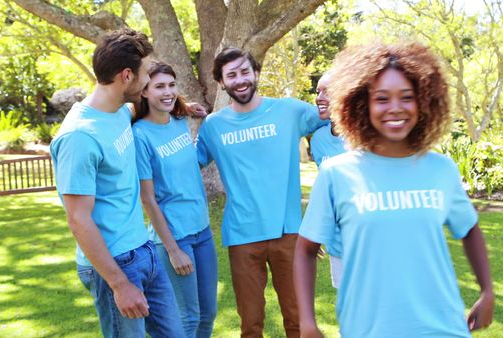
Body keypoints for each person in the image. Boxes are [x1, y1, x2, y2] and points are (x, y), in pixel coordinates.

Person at [294, 43, 495, 337]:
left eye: (407, 97)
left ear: (424, 102)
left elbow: (469, 229)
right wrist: (307, 322)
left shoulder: (441, 169)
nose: (395, 108)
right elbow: (306, 250)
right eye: (382, 98)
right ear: (362, 104)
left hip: (443, 328)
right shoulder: (337, 173)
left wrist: (487, 290)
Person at [50, 29, 184, 337]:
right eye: (148, 74)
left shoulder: (120, 112)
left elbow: (153, 108)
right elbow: (78, 219)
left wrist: (185, 108)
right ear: (127, 76)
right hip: (114, 266)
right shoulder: (80, 137)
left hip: (143, 250)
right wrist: (119, 284)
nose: (150, 82)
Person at [196, 47, 327, 338]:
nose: (240, 80)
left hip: (289, 231)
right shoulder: (213, 126)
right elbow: (186, 166)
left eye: (244, 71)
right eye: (231, 75)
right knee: (251, 325)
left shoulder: (290, 111)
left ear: (256, 73)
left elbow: (335, 118)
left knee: (298, 320)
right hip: (242, 234)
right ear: (221, 82)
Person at [132, 62, 217, 338]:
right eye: (159, 86)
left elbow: (177, 106)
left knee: (208, 314)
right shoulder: (140, 136)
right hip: (175, 237)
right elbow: (147, 199)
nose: (167, 91)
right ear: (143, 92)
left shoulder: (179, 121)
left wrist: (188, 107)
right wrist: (172, 250)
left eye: (171, 84)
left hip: (202, 230)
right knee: (188, 318)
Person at [309, 71, 347, 288]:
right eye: (318, 91)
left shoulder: (366, 137)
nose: (320, 97)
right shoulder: (319, 140)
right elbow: (325, 193)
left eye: (328, 92)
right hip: (338, 243)